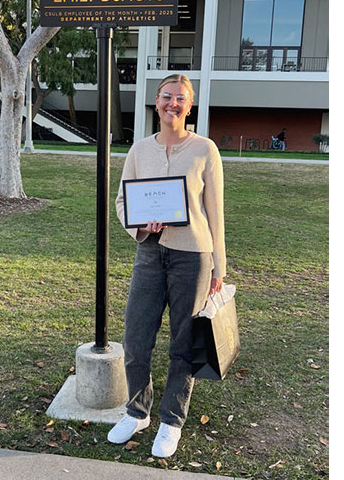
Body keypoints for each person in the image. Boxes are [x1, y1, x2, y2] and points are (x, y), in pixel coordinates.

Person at [107, 74, 226, 458]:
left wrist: (218, 267)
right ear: (156, 102)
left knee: (182, 342)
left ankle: (171, 420)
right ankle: (137, 411)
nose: (173, 104)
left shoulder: (205, 150)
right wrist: (141, 225)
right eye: (166, 97)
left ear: (189, 106)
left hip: (192, 256)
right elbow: (124, 203)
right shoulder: (140, 151)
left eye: (181, 98)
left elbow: (214, 212)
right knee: (136, 338)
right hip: (150, 253)